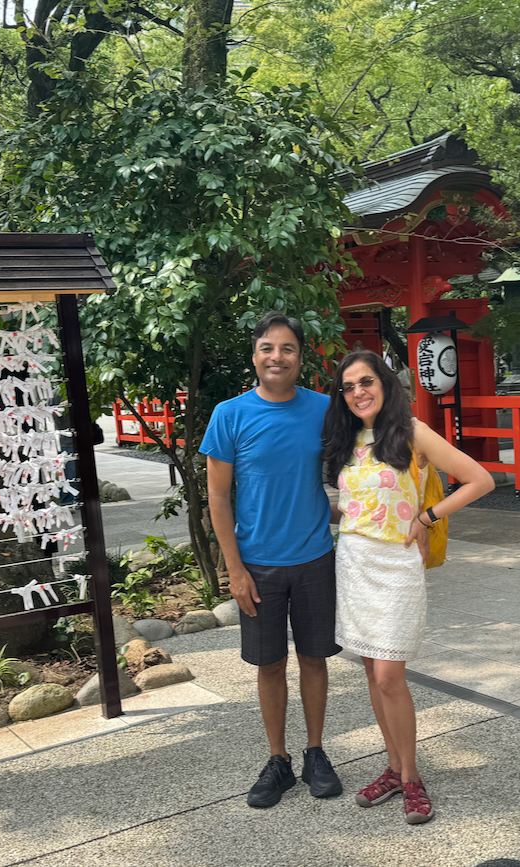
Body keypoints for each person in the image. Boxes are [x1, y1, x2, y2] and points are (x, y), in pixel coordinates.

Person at [321, 348, 494, 825]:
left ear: (385, 384)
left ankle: (412, 776)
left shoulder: (412, 432)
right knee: (371, 674)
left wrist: (428, 515)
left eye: (366, 382)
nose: (358, 392)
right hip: (353, 561)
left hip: (397, 565)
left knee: (389, 677)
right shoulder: (347, 439)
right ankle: (393, 767)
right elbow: (351, 504)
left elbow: (480, 479)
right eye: (349, 386)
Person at [201, 311, 342, 809]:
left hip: (314, 556)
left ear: (301, 358)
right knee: (268, 664)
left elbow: (359, 465)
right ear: (255, 355)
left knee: (314, 658)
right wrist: (234, 569)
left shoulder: (326, 410)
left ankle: (316, 752)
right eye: (268, 348)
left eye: (287, 349)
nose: (277, 357)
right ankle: (278, 759)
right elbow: (218, 498)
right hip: (257, 563)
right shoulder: (230, 414)